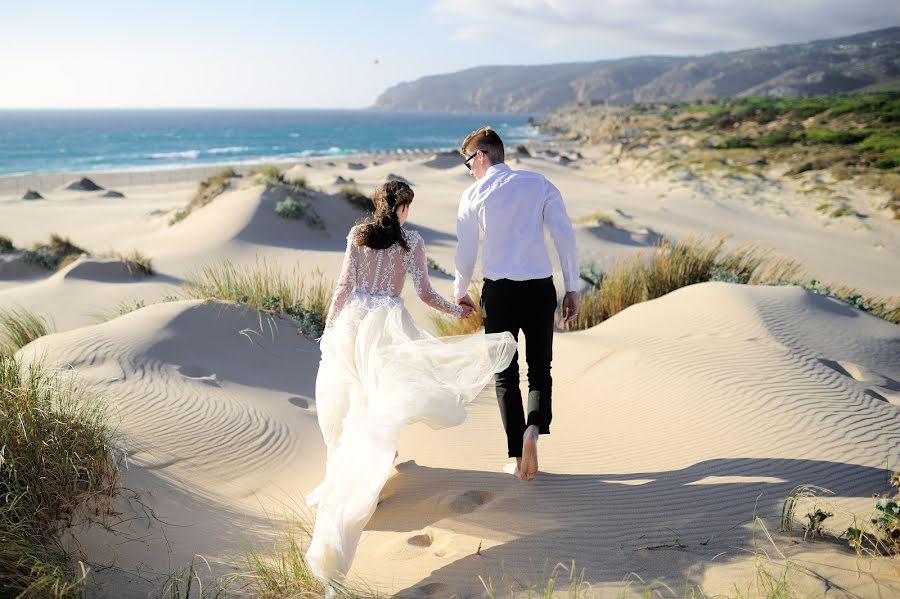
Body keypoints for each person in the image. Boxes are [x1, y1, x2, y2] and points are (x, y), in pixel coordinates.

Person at [305, 180, 516, 590]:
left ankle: (357, 481)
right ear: (401, 208)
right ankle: (366, 483)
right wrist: (456, 310)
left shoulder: (357, 235)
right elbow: (422, 291)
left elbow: (343, 288)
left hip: (351, 328)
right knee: (382, 409)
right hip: (385, 330)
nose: (408, 213)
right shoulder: (411, 242)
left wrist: (330, 328)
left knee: (354, 406)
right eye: (407, 207)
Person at [454, 126, 579, 482]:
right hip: (540, 289)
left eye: (468, 163)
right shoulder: (539, 183)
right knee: (540, 370)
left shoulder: (474, 194)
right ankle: (533, 432)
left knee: (505, 376)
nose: (469, 171)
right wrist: (572, 287)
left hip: (500, 294)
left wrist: (460, 290)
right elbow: (564, 238)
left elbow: (466, 252)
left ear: (481, 155)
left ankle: (516, 456)